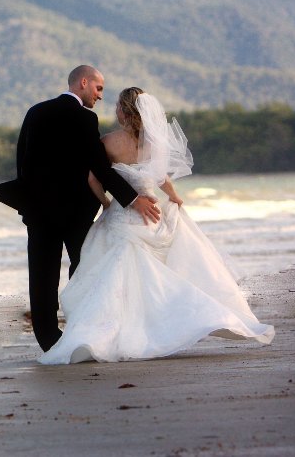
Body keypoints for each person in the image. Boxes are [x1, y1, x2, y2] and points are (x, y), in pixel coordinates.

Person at [38, 88, 274, 364]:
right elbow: (162, 179)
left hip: (123, 215)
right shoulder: (155, 143)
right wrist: (175, 198)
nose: (115, 110)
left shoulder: (108, 142)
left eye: (118, 106)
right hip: (152, 214)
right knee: (157, 273)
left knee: (113, 275)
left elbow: (93, 179)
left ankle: (113, 331)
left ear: (124, 111)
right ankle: (160, 324)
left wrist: (106, 203)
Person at [8, 65, 160, 352]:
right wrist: (132, 198)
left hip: (38, 212)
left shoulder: (35, 112)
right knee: (84, 271)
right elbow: (100, 168)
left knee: (41, 275)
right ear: (83, 82)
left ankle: (48, 339)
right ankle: (82, 329)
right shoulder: (85, 118)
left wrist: (27, 204)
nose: (100, 96)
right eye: (98, 88)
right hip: (75, 213)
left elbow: (22, 161)